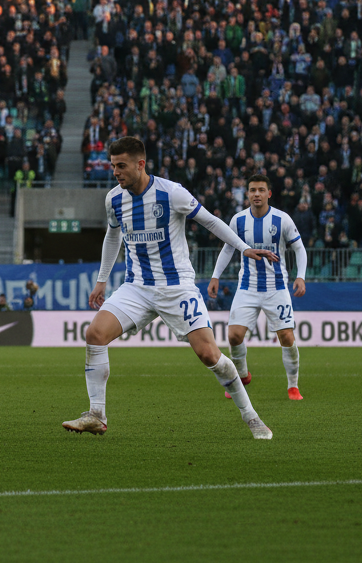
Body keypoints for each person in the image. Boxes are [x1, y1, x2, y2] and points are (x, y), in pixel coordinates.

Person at [64, 137, 278, 439]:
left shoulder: (171, 193)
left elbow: (211, 222)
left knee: (208, 355)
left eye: (121, 166)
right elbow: (113, 237)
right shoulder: (114, 198)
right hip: (136, 287)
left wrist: (243, 248)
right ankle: (97, 414)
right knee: (94, 334)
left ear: (140, 164)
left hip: (176, 287)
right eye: (113, 166)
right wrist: (102, 279)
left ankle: (252, 417)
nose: (116, 172)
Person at [208, 174, 308, 402]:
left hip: (277, 287)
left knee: (286, 336)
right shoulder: (238, 220)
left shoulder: (282, 220)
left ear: (269, 194)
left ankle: (293, 386)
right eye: (252, 190)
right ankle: (242, 376)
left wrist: (300, 277)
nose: (256, 194)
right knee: (233, 336)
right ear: (247, 194)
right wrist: (215, 276)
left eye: (261, 190)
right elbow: (227, 249)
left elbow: (299, 249)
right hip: (247, 287)